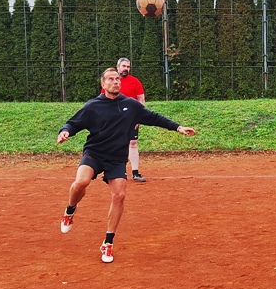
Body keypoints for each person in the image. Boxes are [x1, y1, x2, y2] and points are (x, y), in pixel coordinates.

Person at [59, 67, 196, 263]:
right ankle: (70, 210)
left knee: (120, 195)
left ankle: (108, 243)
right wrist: (65, 131)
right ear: (103, 84)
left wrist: (178, 127)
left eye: (117, 79)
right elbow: (73, 123)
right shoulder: (92, 106)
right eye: (111, 79)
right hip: (94, 153)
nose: (115, 81)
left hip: (116, 157)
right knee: (81, 183)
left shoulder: (131, 105)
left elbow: (154, 118)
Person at [111, 57, 147, 183]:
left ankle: (135, 173)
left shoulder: (135, 81)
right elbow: (105, 99)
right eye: (124, 66)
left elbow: (141, 100)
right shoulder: (111, 81)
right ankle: (117, 171)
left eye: (128, 66)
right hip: (115, 119)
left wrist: (139, 117)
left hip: (131, 118)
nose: (126, 68)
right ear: (118, 67)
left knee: (132, 143)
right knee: (116, 144)